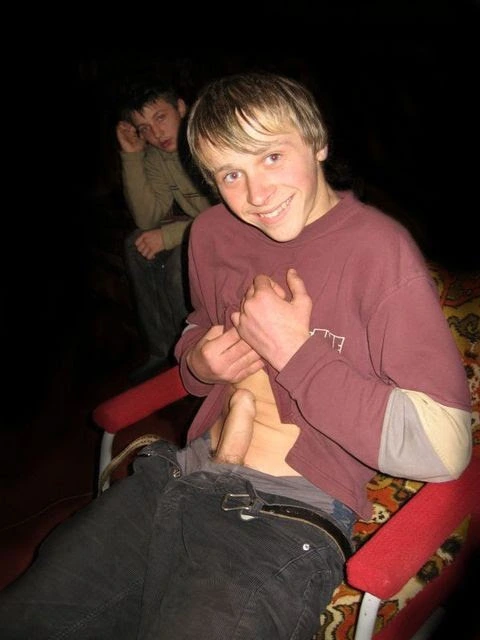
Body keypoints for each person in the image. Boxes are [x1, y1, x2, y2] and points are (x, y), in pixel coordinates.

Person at [0, 71, 472, 640]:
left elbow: (444, 447)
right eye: (230, 173)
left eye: (271, 156)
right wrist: (200, 364)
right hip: (176, 477)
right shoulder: (210, 232)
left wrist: (297, 354)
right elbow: (197, 327)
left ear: (317, 142)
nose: (256, 194)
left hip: (287, 516)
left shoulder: (379, 250)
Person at [116, 74, 216, 383]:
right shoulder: (157, 156)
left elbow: (230, 216)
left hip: (236, 233)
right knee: (136, 245)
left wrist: (171, 236)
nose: (156, 133)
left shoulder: (208, 142)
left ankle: (188, 356)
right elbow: (147, 219)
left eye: (161, 117)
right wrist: (132, 155)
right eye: (144, 128)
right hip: (202, 230)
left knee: (178, 265)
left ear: (181, 108)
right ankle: (160, 351)